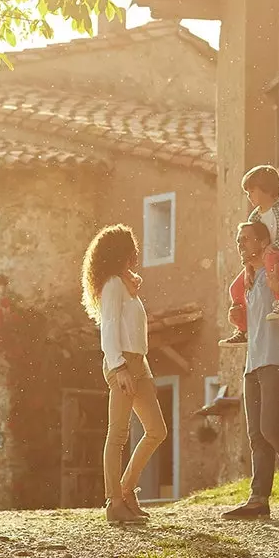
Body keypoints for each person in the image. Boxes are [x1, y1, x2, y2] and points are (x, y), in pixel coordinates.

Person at [222, 220, 279, 519]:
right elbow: (255, 322)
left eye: (246, 239)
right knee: (256, 435)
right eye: (238, 240)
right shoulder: (247, 279)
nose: (240, 245)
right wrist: (239, 317)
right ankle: (258, 499)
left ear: (263, 242)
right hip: (254, 363)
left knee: (271, 427)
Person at [82, 223, 168, 525]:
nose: (135, 254)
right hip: (122, 364)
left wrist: (133, 290)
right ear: (119, 253)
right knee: (117, 435)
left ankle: (127, 490)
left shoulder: (123, 285)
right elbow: (109, 328)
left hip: (137, 362)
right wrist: (118, 367)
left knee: (157, 431)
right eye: (130, 249)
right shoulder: (112, 286)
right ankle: (114, 502)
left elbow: (130, 325)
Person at [222, 165, 279, 344]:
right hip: (264, 260)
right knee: (235, 287)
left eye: (252, 191)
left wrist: (274, 247)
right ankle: (243, 329)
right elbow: (251, 245)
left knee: (271, 258)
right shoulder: (254, 218)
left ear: (267, 190)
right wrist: (248, 267)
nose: (249, 196)